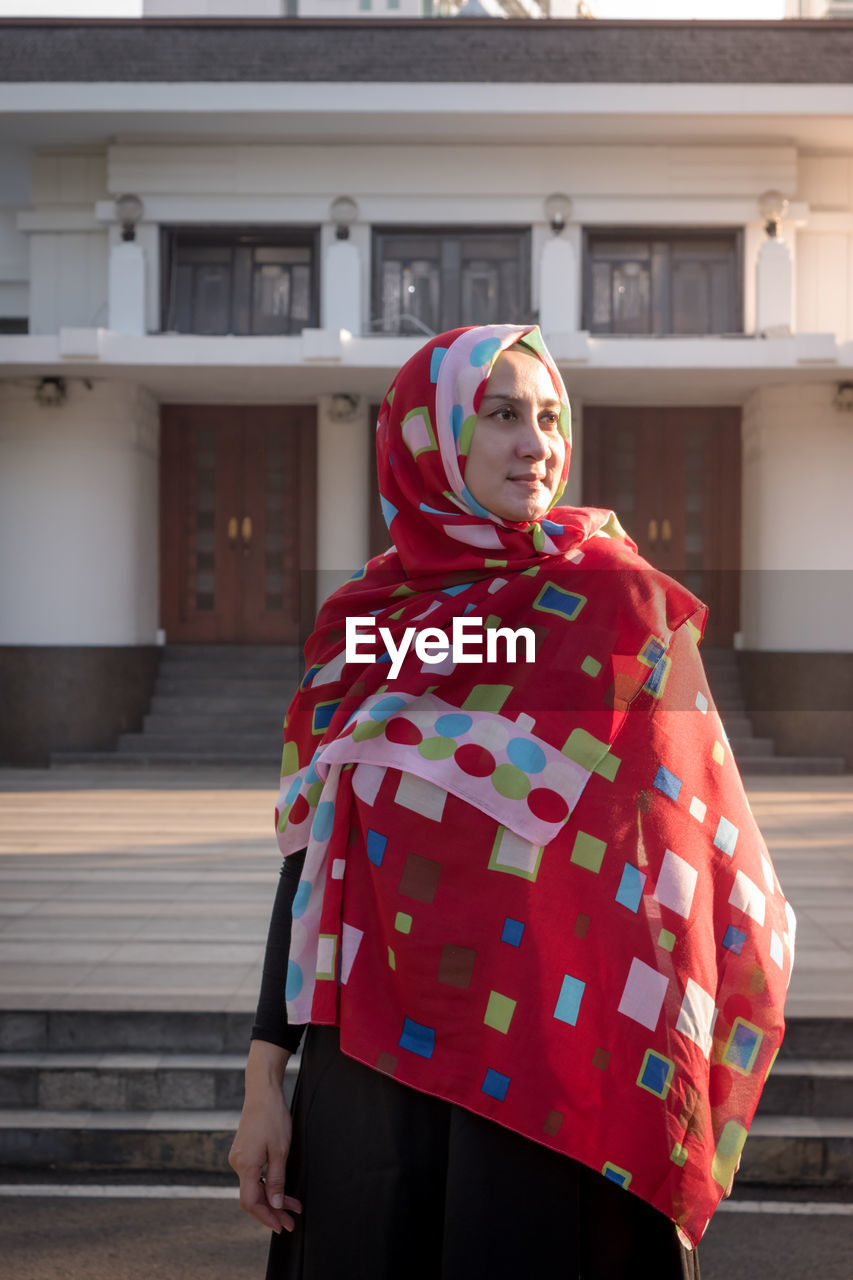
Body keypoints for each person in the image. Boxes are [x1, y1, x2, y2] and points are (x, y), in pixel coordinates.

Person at [229, 324, 794, 1279]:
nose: (535, 444)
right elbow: (313, 863)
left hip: (554, 1062)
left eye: (548, 418)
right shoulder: (363, 625)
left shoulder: (617, 608)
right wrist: (262, 1081)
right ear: (428, 439)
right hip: (371, 1065)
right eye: (499, 416)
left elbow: (678, 847)